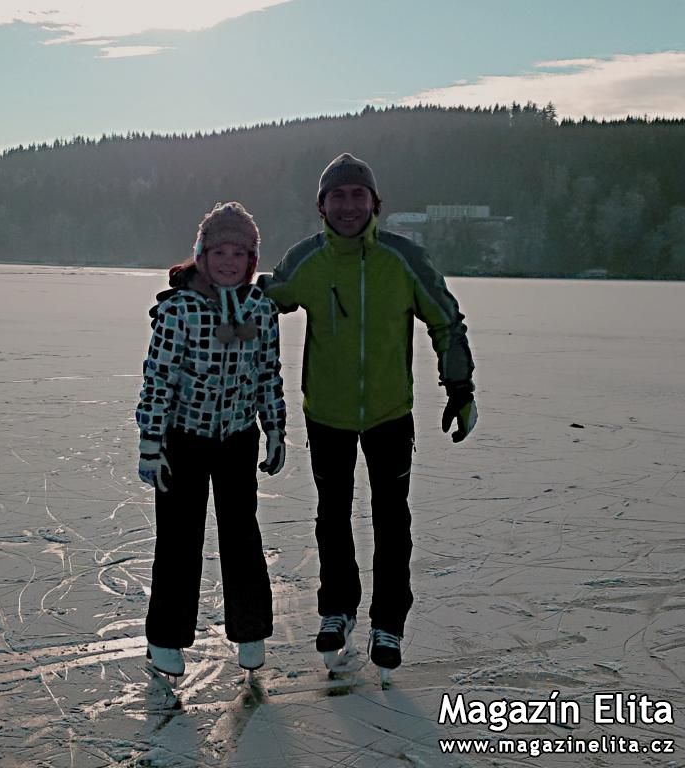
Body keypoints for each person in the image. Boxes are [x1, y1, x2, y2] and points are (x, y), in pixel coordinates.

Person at [259, 153, 476, 681]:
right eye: (339, 196)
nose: (349, 205)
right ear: (322, 206)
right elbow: (265, 296)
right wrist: (196, 290)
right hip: (327, 413)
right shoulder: (308, 260)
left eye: (358, 195)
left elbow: (446, 320)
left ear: (375, 203)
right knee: (332, 516)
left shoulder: (403, 259)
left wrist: (460, 386)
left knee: (391, 517)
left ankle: (388, 622)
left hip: (388, 413)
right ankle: (337, 609)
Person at [136, 201, 286, 678]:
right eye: (218, 251)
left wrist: (275, 427)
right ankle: (165, 638)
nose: (227, 261)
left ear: (251, 260)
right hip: (185, 441)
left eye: (238, 253)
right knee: (178, 541)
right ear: (201, 255)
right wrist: (151, 443)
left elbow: (268, 373)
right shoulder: (178, 310)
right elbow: (158, 379)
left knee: (242, 536)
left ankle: (251, 629)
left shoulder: (260, 308)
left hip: (237, 440)